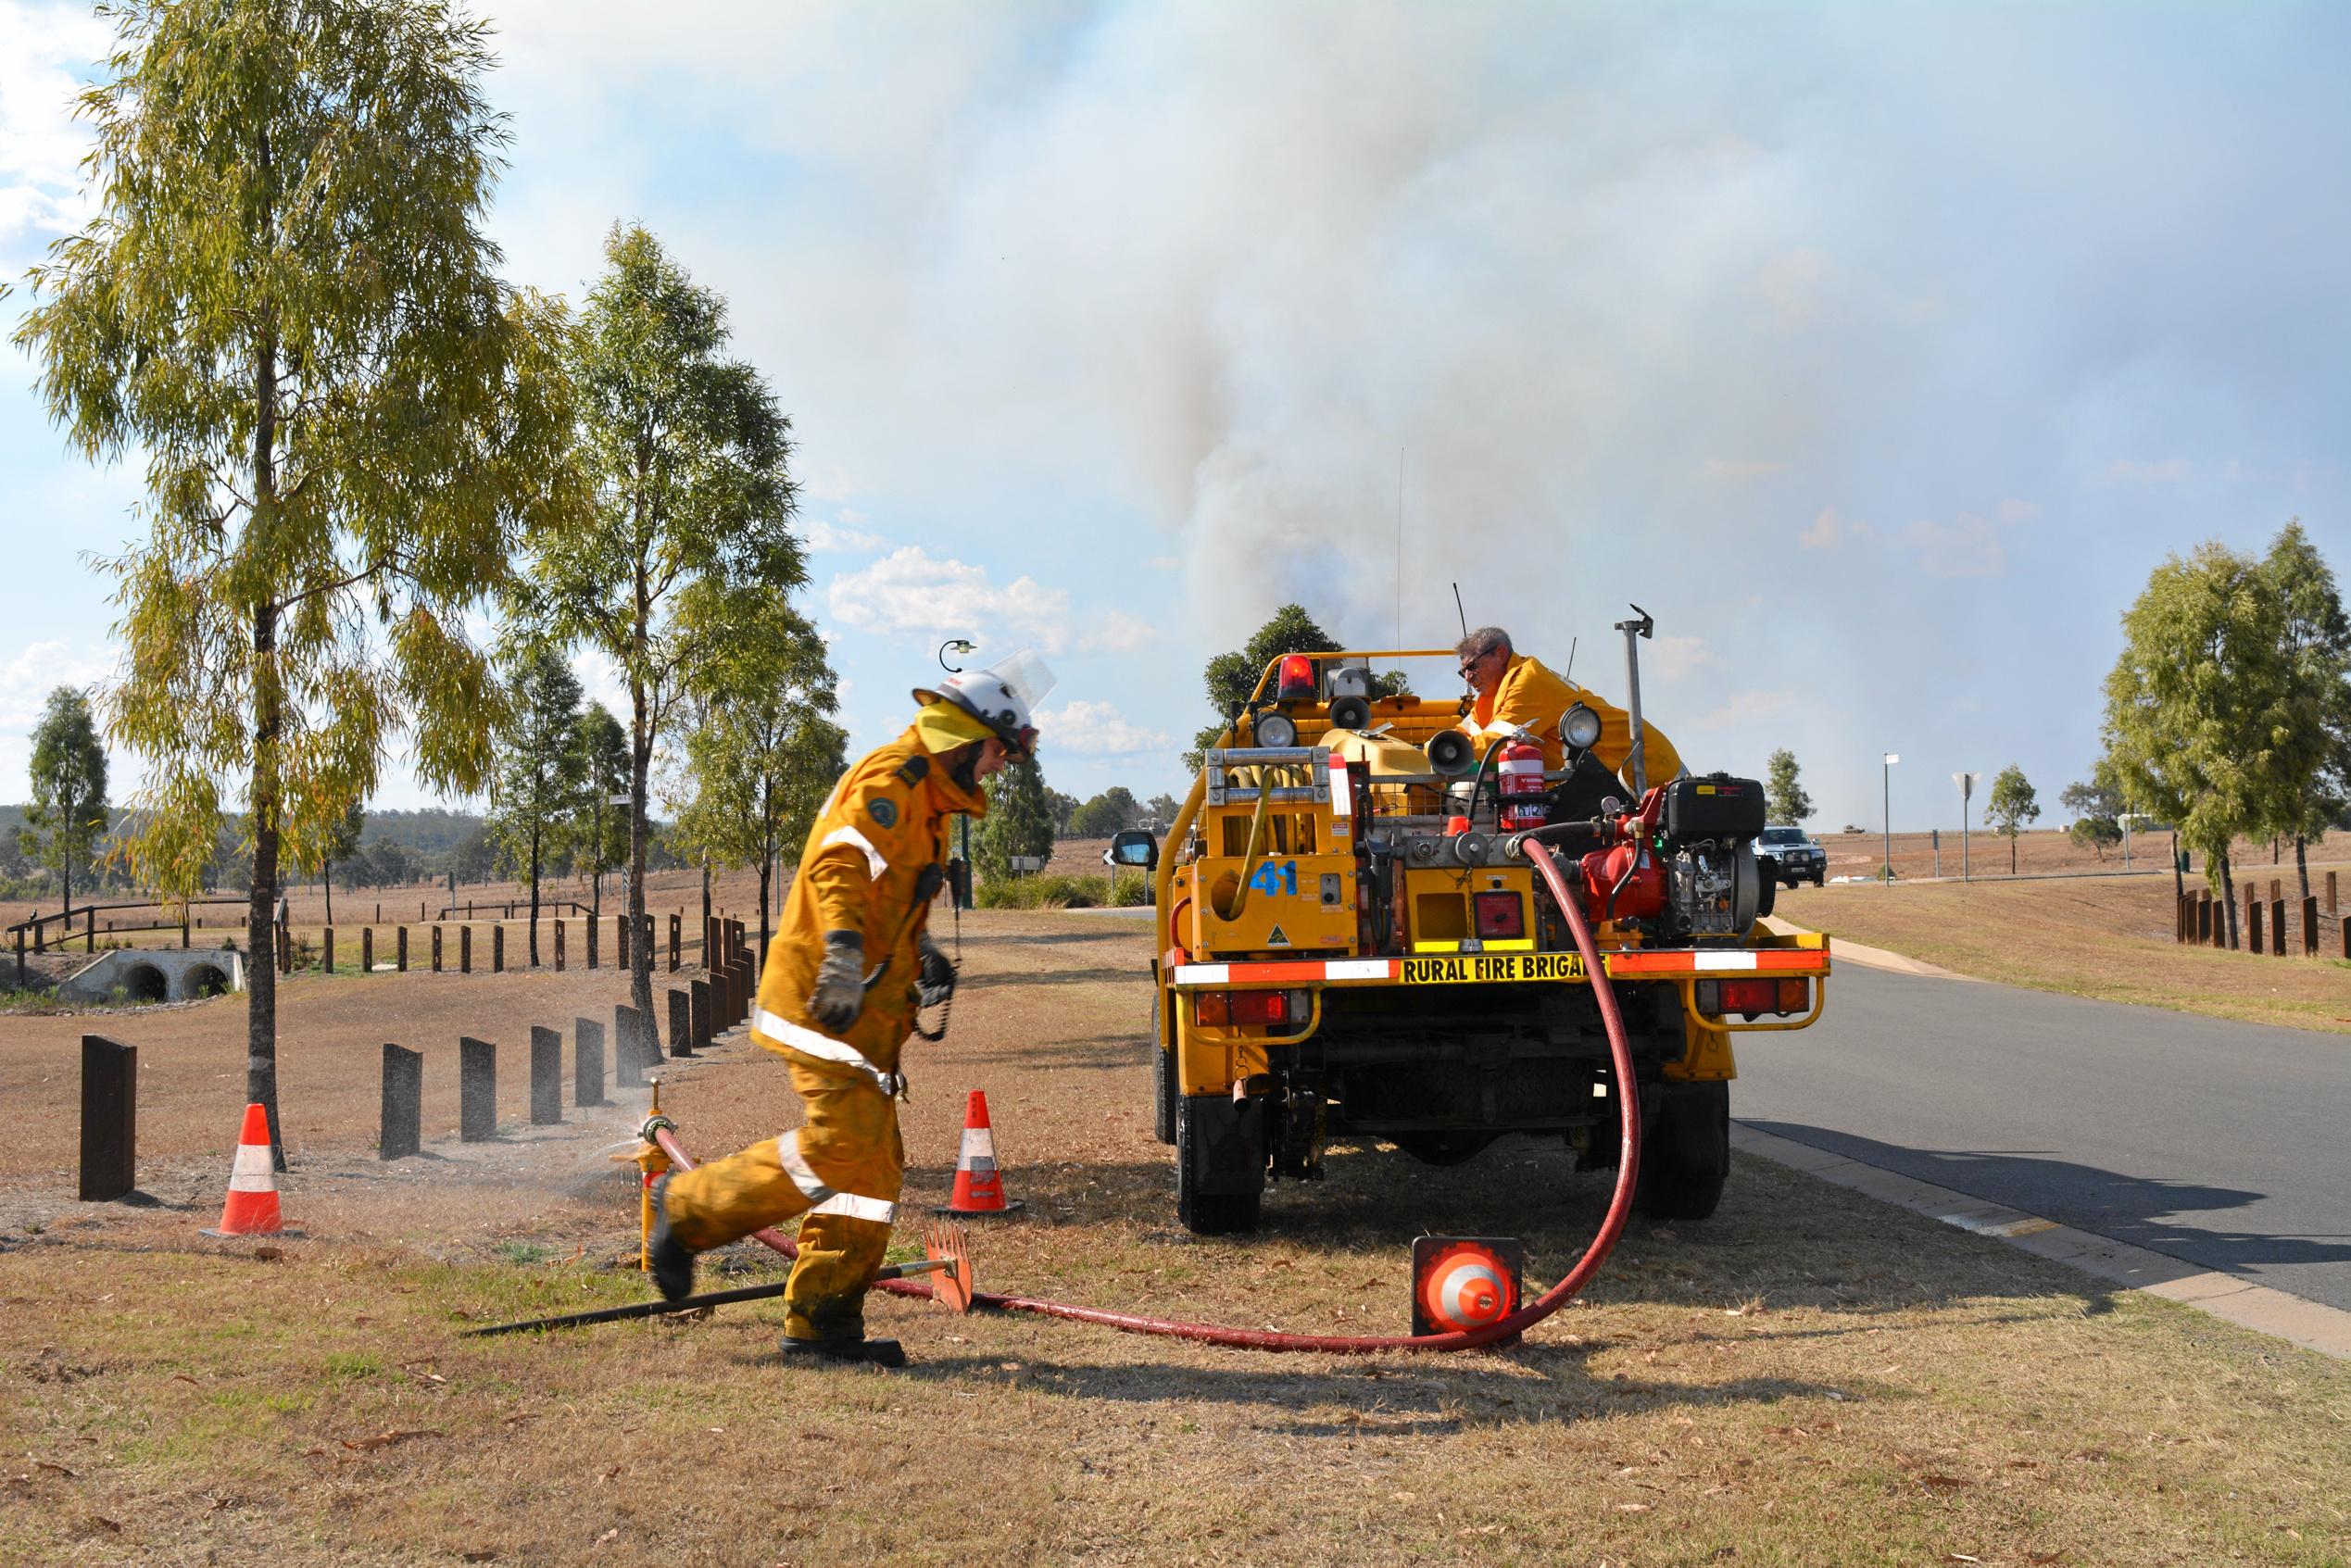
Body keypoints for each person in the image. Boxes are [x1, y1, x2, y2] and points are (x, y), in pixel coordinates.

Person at [647, 650, 1054, 1367]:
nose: (995, 767)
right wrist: (840, 955)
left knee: (870, 1173)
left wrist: (919, 947)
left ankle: (823, 1323)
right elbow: (840, 862)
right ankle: (687, 1210)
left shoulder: (929, 798)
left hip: (863, 1015)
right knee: (842, 1146)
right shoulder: (893, 781)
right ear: (965, 738)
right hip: (823, 1001)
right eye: (996, 752)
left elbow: (888, 888)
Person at [1454, 626, 1682, 793]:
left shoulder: (1527, 681)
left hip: (1641, 768)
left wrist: (1448, 753)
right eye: (1463, 671)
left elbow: (1498, 741)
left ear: (1501, 653)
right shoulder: (1491, 695)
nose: (1468, 676)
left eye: (1472, 666)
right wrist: (1431, 747)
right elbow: (1467, 732)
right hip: (1605, 774)